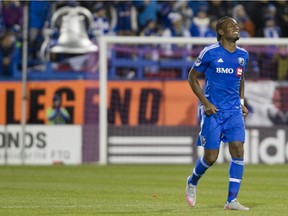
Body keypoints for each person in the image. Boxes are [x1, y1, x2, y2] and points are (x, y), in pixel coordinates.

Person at [185, 16, 249, 210]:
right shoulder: (210, 52)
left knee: (238, 149)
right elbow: (192, 78)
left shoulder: (243, 55)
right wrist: (205, 102)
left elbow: (241, 78)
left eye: (237, 26)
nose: (236, 28)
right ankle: (192, 181)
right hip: (213, 112)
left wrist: (241, 102)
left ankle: (231, 201)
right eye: (231, 26)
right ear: (221, 32)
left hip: (233, 112)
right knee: (211, 158)